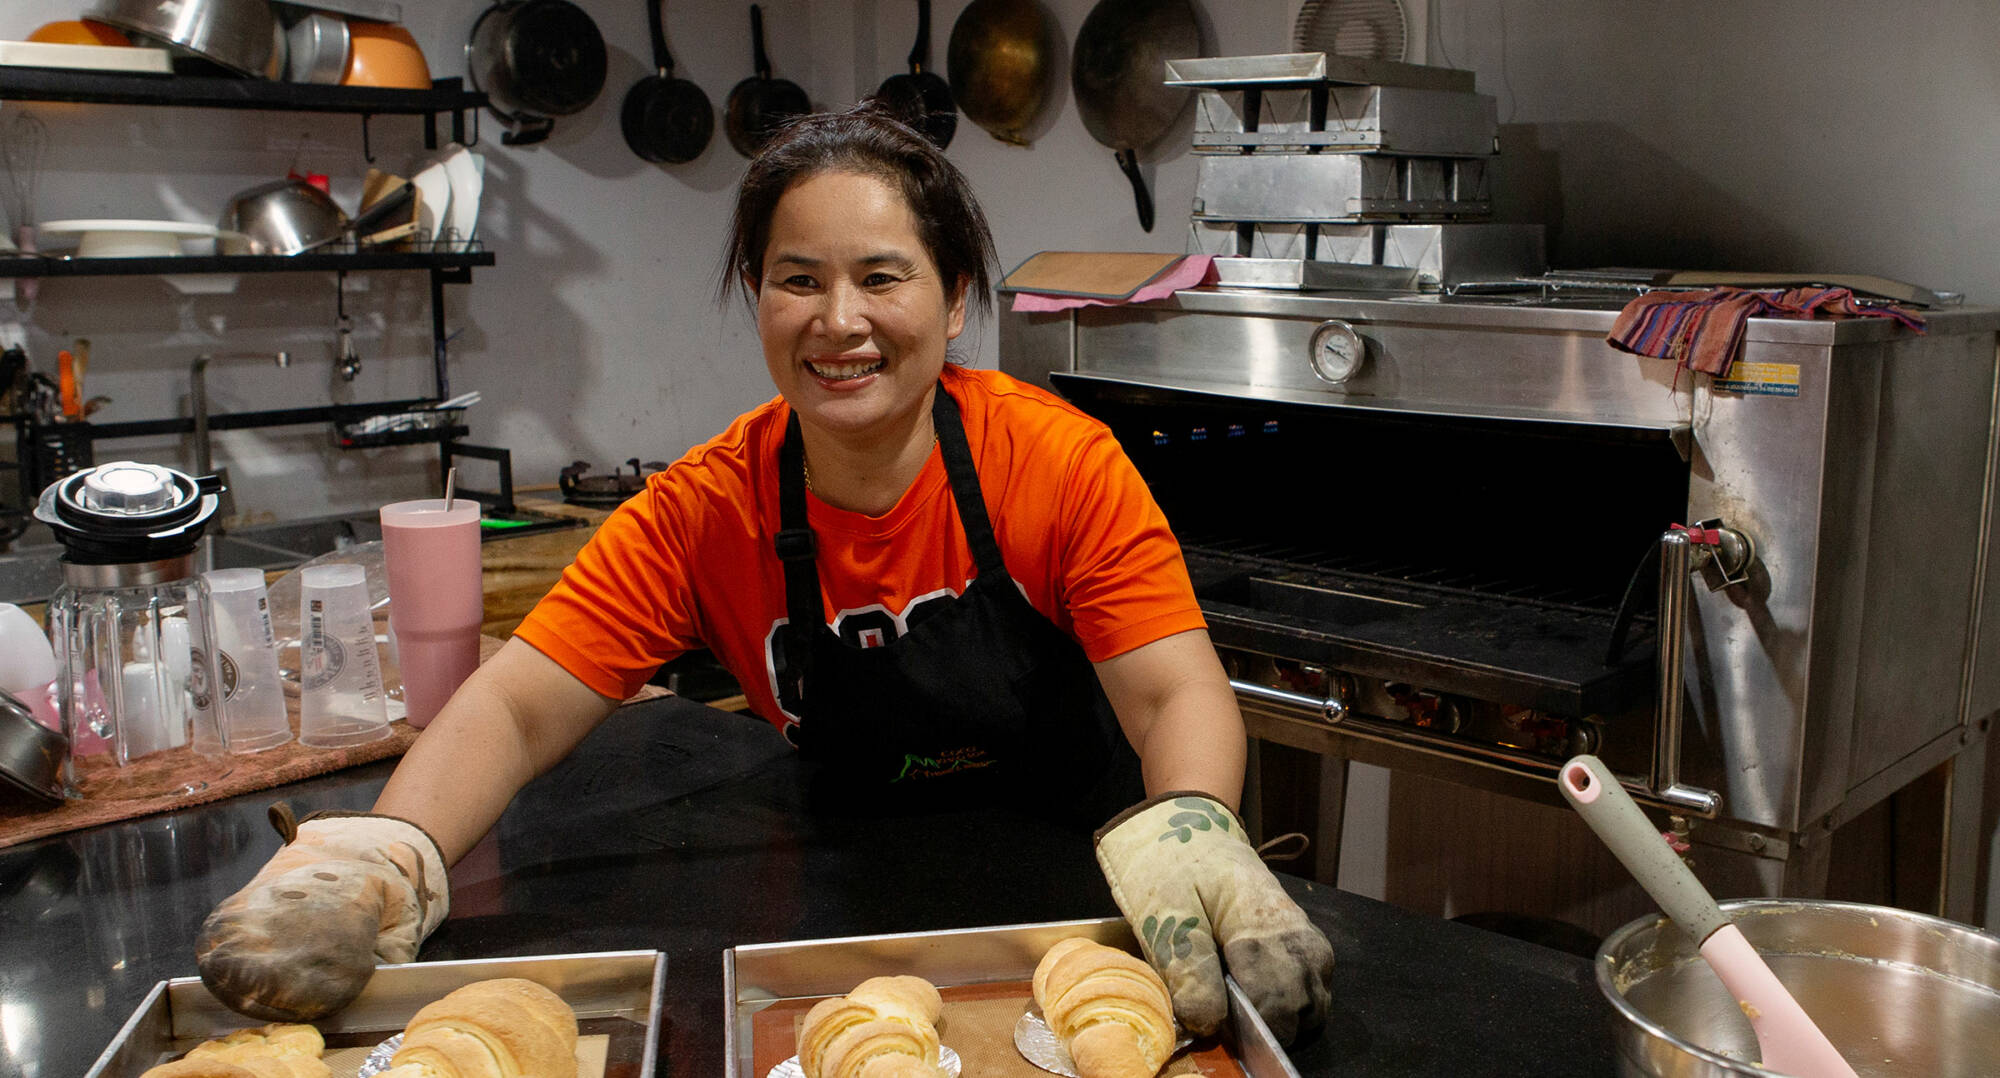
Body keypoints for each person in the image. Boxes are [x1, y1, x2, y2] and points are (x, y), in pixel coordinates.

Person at [194, 103, 1335, 1045]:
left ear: (953, 299)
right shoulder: (707, 506)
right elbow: (517, 703)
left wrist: (1192, 830)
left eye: (881, 277)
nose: (839, 322)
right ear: (758, 298)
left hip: (1073, 906)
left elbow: (1173, 689)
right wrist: (387, 853)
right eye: (797, 279)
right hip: (835, 912)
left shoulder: (1054, 461)